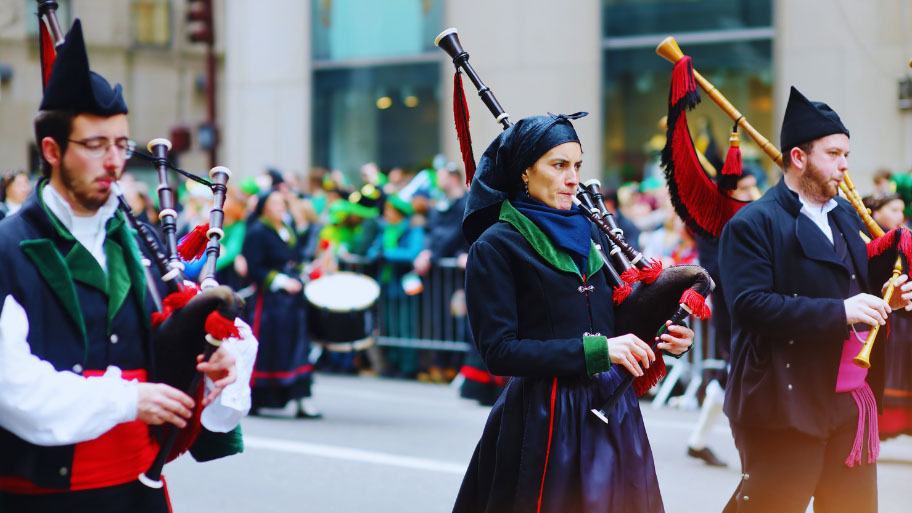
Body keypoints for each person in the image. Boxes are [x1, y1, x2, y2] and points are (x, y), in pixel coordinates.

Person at [0, 20, 254, 512]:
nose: (114, 162)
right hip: (44, 499)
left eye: (121, 144)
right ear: (51, 151)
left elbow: (167, 357)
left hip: (140, 493)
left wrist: (213, 370)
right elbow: (12, 386)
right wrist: (126, 401)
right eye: (95, 145)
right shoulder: (9, 249)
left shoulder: (139, 248)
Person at [452, 112, 694, 513]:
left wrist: (664, 338)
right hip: (543, 422)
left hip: (613, 412)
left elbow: (613, 324)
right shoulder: (495, 245)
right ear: (525, 172)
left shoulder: (592, 232)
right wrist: (598, 352)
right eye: (559, 165)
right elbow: (498, 351)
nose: (572, 178)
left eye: (577, 166)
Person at [719, 87, 912, 513]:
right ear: (798, 157)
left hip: (849, 400)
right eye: (833, 153)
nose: (845, 165)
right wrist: (841, 312)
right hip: (783, 402)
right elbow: (750, 306)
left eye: (846, 153)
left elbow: (851, 286)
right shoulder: (752, 224)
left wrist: (888, 300)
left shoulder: (844, 214)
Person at [686, 167, 761, 467]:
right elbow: (711, 271)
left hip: (757, 308)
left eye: (754, 187)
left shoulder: (757, 216)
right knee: (741, 373)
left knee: (731, 375)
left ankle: (698, 441)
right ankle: (754, 449)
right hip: (733, 312)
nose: (752, 194)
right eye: (744, 188)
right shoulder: (712, 224)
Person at [243, 188, 321, 418]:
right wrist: (279, 281)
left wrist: (302, 273)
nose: (280, 207)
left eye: (281, 203)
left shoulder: (287, 229)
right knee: (268, 348)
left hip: (292, 300)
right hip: (269, 302)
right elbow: (254, 267)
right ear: (265, 207)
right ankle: (257, 398)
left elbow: (293, 259)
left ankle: (301, 398)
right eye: (275, 203)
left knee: (298, 347)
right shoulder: (257, 231)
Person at [862, 192, 912, 440]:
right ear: (875, 211)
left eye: (901, 210)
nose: (899, 216)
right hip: (877, 317)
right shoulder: (864, 238)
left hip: (902, 319)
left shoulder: (903, 238)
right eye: (893, 209)